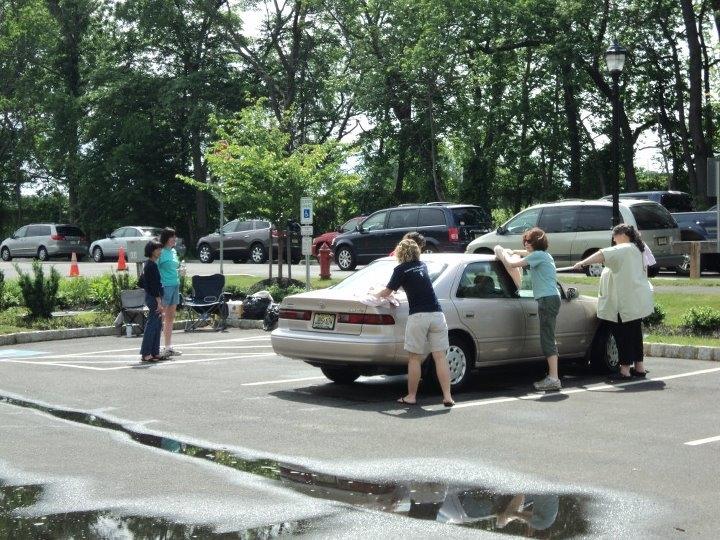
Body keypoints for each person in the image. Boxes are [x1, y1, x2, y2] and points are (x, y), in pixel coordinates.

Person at [376, 239, 454, 406]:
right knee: (440, 357)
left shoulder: (400, 269)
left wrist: (376, 294)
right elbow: (416, 284)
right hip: (437, 314)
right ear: (417, 252)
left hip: (418, 316)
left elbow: (388, 291)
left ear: (401, 253)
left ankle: (411, 396)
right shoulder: (423, 266)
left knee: (414, 358)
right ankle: (447, 396)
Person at [572, 223, 653, 380]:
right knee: (635, 335)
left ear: (623, 235)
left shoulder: (624, 249)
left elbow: (602, 254)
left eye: (614, 236)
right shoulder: (639, 248)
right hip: (635, 301)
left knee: (623, 337)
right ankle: (639, 367)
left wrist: (582, 263)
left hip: (622, 304)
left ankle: (624, 371)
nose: (613, 240)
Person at [496, 227, 562, 391]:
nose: (526, 244)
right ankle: (553, 376)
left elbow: (511, 264)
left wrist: (500, 251)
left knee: (547, 338)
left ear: (537, 243)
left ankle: (554, 378)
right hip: (551, 298)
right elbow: (525, 254)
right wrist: (513, 250)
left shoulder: (538, 256)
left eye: (529, 241)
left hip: (547, 300)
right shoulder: (544, 255)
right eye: (525, 241)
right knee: (549, 336)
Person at [158, 227, 183, 358]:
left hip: (175, 285)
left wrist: (180, 272)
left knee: (170, 317)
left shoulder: (173, 252)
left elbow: (174, 268)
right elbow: (153, 269)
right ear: (166, 238)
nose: (174, 239)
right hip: (165, 286)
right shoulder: (160, 252)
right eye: (172, 236)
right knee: (160, 317)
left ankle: (168, 347)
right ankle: (155, 347)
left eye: (175, 236)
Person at [139, 241, 164, 363]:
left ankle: (155, 352)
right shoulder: (152, 266)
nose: (160, 251)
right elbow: (155, 286)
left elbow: (141, 282)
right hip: (154, 298)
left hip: (151, 296)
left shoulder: (148, 264)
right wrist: (159, 302)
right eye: (158, 249)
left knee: (158, 325)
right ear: (152, 251)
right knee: (152, 325)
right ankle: (146, 353)